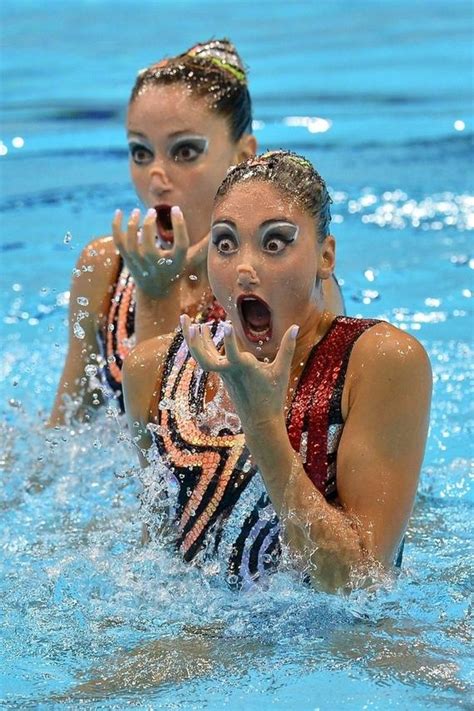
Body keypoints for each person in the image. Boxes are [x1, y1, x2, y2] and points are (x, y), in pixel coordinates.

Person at [123, 151, 432, 593]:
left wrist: (263, 424)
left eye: (274, 243)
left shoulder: (381, 364)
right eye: (225, 243)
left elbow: (360, 585)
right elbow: (157, 564)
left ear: (325, 257)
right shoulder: (154, 370)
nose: (244, 268)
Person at [49, 40, 345, 426]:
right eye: (140, 152)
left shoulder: (286, 282)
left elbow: (277, 456)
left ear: (243, 156)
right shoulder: (106, 268)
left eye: (185, 151)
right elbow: (66, 431)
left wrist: (157, 297)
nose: (156, 176)